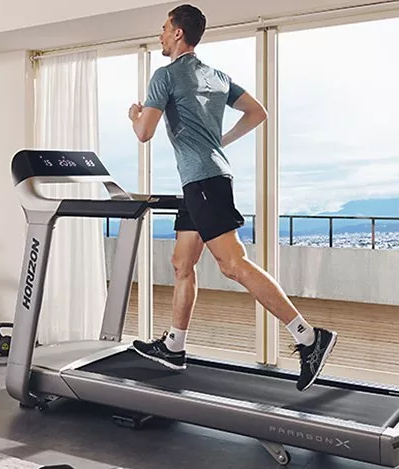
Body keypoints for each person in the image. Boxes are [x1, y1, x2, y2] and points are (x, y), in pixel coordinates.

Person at [127, 4, 337, 391]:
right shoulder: (217, 76)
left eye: (163, 28)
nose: (159, 35)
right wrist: (219, 142)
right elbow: (258, 112)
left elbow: (144, 133)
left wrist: (134, 114)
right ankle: (174, 345)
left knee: (233, 264)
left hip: (203, 182)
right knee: (181, 263)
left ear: (177, 34)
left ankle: (309, 336)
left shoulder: (165, 75)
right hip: (202, 181)